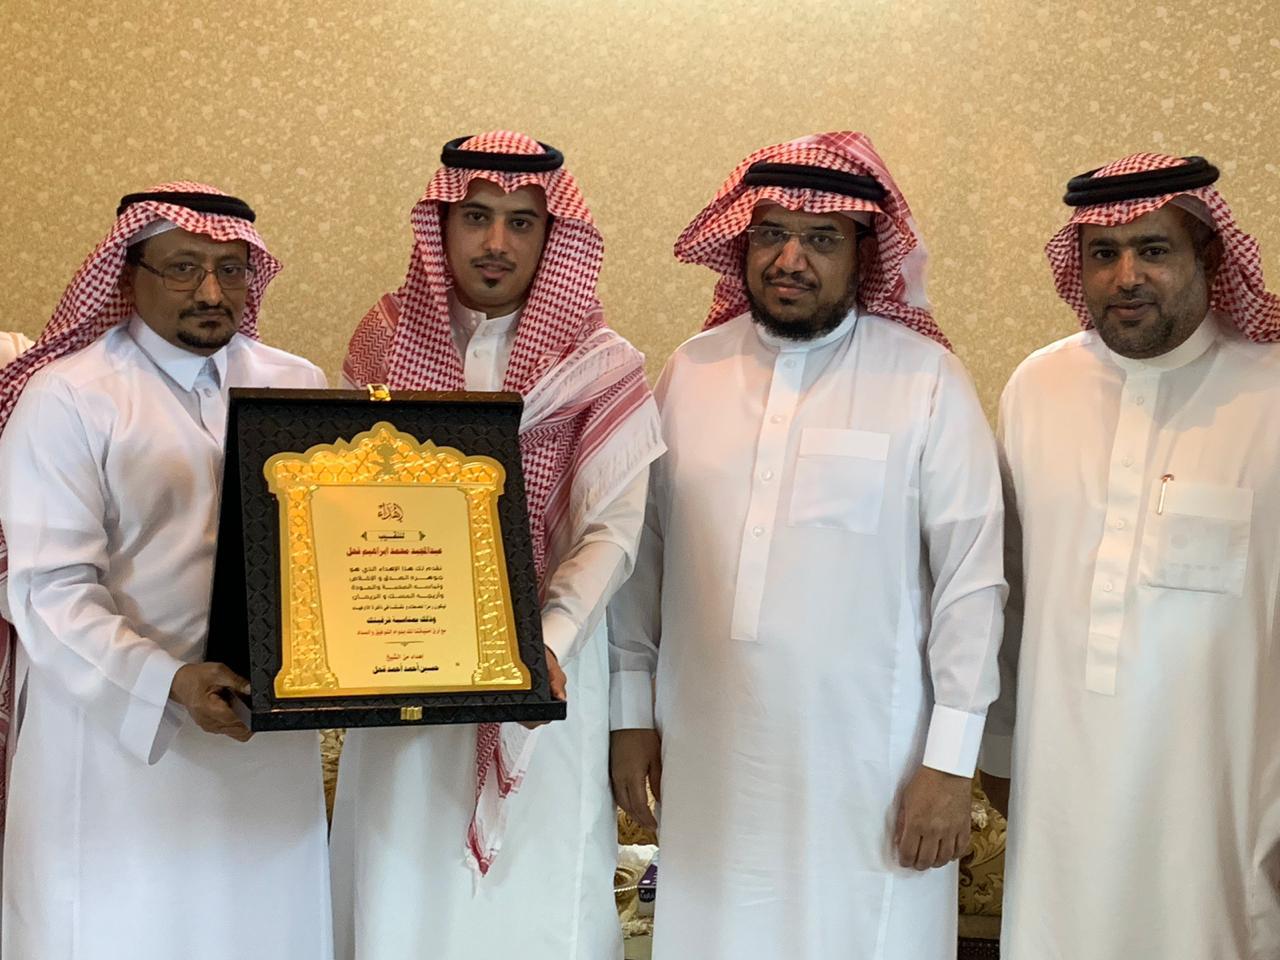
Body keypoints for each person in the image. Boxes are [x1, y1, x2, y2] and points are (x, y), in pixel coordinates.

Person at [607, 131, 1005, 959]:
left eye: (821, 238)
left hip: (874, 769)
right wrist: (629, 714)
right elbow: (642, 560)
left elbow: (972, 583)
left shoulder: (926, 380)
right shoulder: (689, 372)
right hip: (710, 759)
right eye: (771, 234)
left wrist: (950, 765)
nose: (790, 259)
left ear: (864, 254)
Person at [331, 131, 663, 960]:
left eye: (522, 222)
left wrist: (539, 646)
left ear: (554, 238)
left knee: (535, 896)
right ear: (442, 225)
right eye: (476, 216)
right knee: (402, 876)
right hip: (399, 666)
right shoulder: (383, 342)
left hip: (547, 675)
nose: (496, 242)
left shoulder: (603, 367)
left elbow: (610, 532)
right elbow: (344, 509)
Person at [0, 183, 333, 959]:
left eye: (230, 269)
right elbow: (46, 592)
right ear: (130, 272)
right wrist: (168, 681)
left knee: (265, 930)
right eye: (183, 267)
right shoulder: (68, 397)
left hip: (262, 736)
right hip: (119, 741)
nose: (211, 291)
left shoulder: (297, 386)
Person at [981, 153, 1280, 959]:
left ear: (1208, 255)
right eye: (1103, 254)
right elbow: (1010, 590)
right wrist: (998, 749)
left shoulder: (1271, 392)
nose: (1126, 276)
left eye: (1153, 250)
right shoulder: (1037, 389)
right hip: (1060, 787)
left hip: (1225, 794)